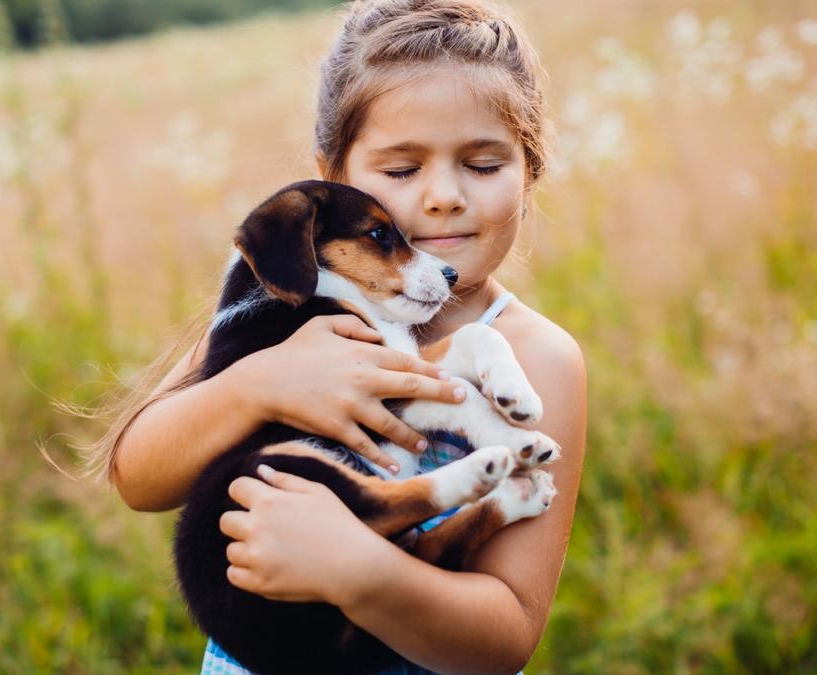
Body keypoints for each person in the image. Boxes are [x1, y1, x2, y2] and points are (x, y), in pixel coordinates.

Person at [94, 1, 586, 672]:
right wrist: (256, 386)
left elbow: (506, 638)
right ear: (333, 180)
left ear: (530, 172)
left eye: (482, 163)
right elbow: (138, 478)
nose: (444, 196)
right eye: (402, 170)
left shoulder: (537, 356)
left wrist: (358, 570)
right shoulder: (279, 318)